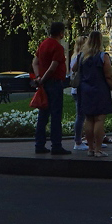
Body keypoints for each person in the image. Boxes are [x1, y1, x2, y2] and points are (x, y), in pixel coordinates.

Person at [76, 30, 112, 157]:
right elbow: (109, 76)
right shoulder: (103, 56)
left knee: (88, 119)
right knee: (99, 119)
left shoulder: (82, 56)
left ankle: (90, 148)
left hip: (84, 90)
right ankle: (98, 149)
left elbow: (75, 70)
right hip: (100, 90)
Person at [32, 22, 70, 155]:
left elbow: (35, 62)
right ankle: (56, 145)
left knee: (42, 115)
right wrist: (43, 78)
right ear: (60, 32)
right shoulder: (58, 47)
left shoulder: (43, 44)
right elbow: (53, 67)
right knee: (55, 115)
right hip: (54, 83)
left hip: (43, 84)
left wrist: (38, 76)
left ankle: (39, 145)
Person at [69, 35, 89, 151]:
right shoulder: (79, 56)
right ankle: (78, 140)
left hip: (76, 89)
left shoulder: (74, 56)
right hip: (78, 89)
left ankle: (83, 138)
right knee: (81, 116)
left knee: (83, 115)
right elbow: (74, 69)